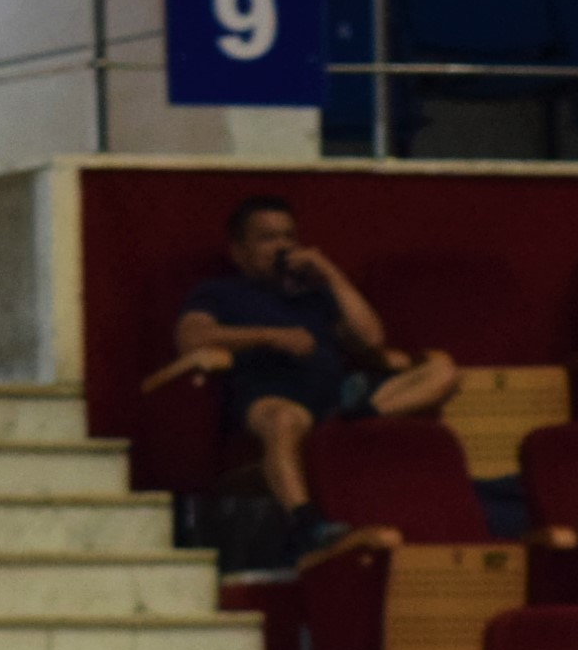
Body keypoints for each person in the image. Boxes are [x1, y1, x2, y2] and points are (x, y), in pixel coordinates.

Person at [171, 193, 456, 537]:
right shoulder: (220, 292)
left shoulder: (314, 294)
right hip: (273, 394)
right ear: (239, 251)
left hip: (337, 394)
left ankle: (359, 412)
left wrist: (329, 272)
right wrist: (270, 336)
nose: (282, 246)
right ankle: (306, 524)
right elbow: (191, 338)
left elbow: (371, 339)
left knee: (443, 370)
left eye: (288, 236)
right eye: (267, 238)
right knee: (282, 420)